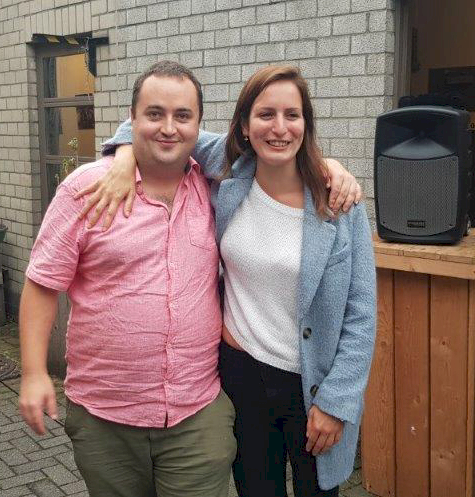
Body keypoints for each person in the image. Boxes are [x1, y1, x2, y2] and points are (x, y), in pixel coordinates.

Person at [78, 64, 376, 496]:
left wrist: (337, 401)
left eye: (292, 115)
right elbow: (149, 126)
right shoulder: (229, 168)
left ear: (306, 124)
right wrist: (124, 159)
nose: (279, 128)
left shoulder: (338, 202)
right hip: (240, 377)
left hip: (313, 384)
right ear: (244, 125)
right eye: (265, 114)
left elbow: (361, 314)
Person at [18, 61, 238, 497]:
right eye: (155, 113)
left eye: (182, 115)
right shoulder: (86, 190)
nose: (169, 128)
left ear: (199, 126)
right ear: (131, 118)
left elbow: (277, 157)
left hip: (196, 413)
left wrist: (327, 167)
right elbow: (43, 283)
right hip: (105, 417)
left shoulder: (215, 188)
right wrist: (33, 372)